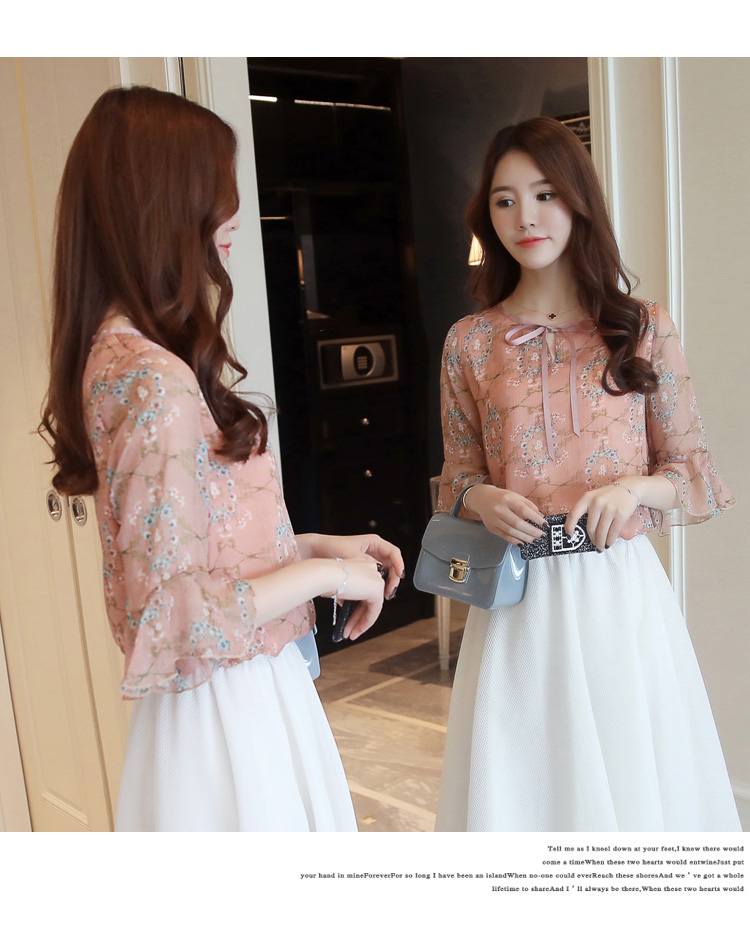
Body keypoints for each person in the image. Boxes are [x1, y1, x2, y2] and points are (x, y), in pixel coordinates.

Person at [40, 86, 404, 832]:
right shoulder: (151, 378)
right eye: (218, 192)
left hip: (220, 705)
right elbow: (172, 615)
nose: (234, 215)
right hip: (229, 715)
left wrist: (310, 546)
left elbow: (195, 553)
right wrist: (328, 578)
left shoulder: (122, 357)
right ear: (162, 203)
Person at [434, 116, 741, 832]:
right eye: (505, 200)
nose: (525, 217)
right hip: (516, 597)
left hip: (616, 590)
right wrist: (481, 497)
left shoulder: (642, 325)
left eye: (544, 194)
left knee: (629, 781)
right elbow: (457, 476)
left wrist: (632, 488)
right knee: (530, 784)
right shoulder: (468, 342)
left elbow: (693, 473)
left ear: (579, 201)